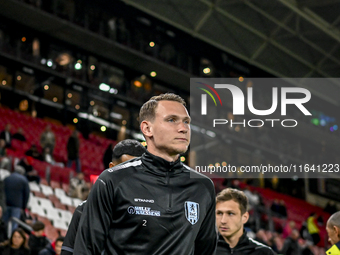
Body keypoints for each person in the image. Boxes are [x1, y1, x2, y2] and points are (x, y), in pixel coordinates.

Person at [73, 93, 217, 254]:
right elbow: (86, 249)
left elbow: (205, 250)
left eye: (186, 122)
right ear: (147, 128)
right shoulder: (113, 180)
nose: (183, 128)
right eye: (171, 120)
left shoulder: (203, 187)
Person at [61, 139, 146, 255]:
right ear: (111, 167)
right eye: (125, 169)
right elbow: (68, 251)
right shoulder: (84, 210)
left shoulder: (149, 216)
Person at [216, 188, 275, 255]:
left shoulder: (263, 252)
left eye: (230, 214)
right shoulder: (205, 249)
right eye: (219, 213)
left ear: (244, 217)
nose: (223, 220)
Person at [3, 166, 30, 232]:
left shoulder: (7, 178)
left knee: (3, 222)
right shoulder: (24, 180)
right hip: (17, 205)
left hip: (5, 204)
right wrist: (24, 207)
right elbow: (26, 195)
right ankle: (11, 238)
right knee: (14, 224)